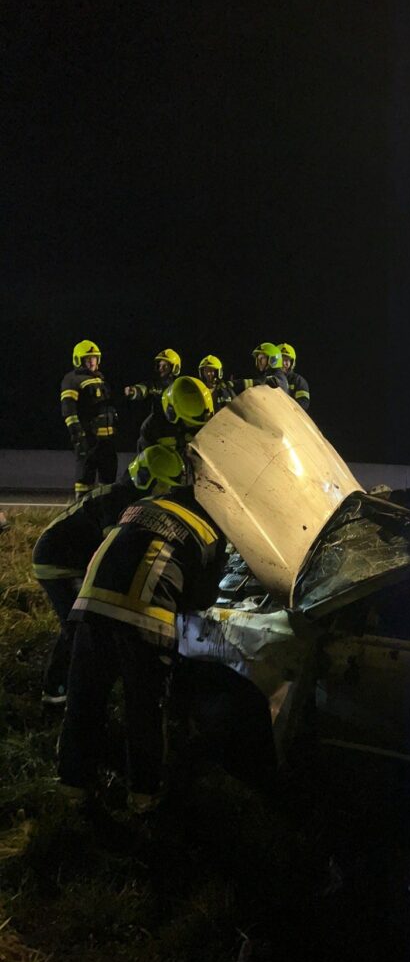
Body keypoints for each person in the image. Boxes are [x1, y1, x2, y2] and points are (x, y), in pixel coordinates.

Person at [58, 447, 227, 811]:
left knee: (84, 701)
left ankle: (73, 786)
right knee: (144, 710)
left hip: (90, 608)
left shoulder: (140, 506)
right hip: (144, 621)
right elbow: (201, 598)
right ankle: (143, 796)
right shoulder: (210, 532)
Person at [30, 449, 172, 705]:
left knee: (82, 623)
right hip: (57, 562)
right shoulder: (118, 501)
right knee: (77, 626)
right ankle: (56, 691)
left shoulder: (125, 495)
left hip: (70, 558)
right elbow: (114, 549)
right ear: (150, 482)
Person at [60, 340, 119, 496]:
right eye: (88, 358)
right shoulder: (72, 379)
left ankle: (105, 509)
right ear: (78, 360)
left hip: (107, 441)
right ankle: (82, 507)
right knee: (85, 480)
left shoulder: (101, 379)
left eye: (94, 358)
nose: (92, 362)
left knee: (108, 483)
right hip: (89, 439)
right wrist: (78, 435)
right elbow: (68, 410)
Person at [136, 376, 214, 454]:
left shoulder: (206, 421)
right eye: (190, 423)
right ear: (172, 413)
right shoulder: (153, 430)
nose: (198, 428)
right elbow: (146, 459)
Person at [279, 342, 310, 411]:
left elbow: (303, 403)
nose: (283, 363)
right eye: (281, 360)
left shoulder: (298, 381)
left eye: (286, 360)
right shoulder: (268, 378)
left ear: (292, 363)